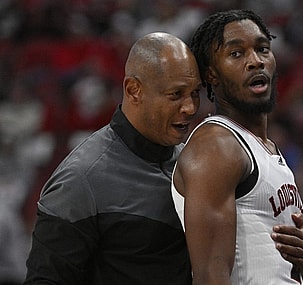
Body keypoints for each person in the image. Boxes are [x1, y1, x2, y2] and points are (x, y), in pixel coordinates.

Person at [24, 32, 202, 285]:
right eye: (176, 95)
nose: (190, 108)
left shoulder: (195, 164)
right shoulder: (82, 178)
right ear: (133, 90)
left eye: (195, 93)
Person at [172, 9, 303, 284]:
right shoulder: (217, 146)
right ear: (211, 74)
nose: (255, 61)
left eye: (262, 49)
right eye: (236, 53)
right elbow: (210, 277)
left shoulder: (265, 148)